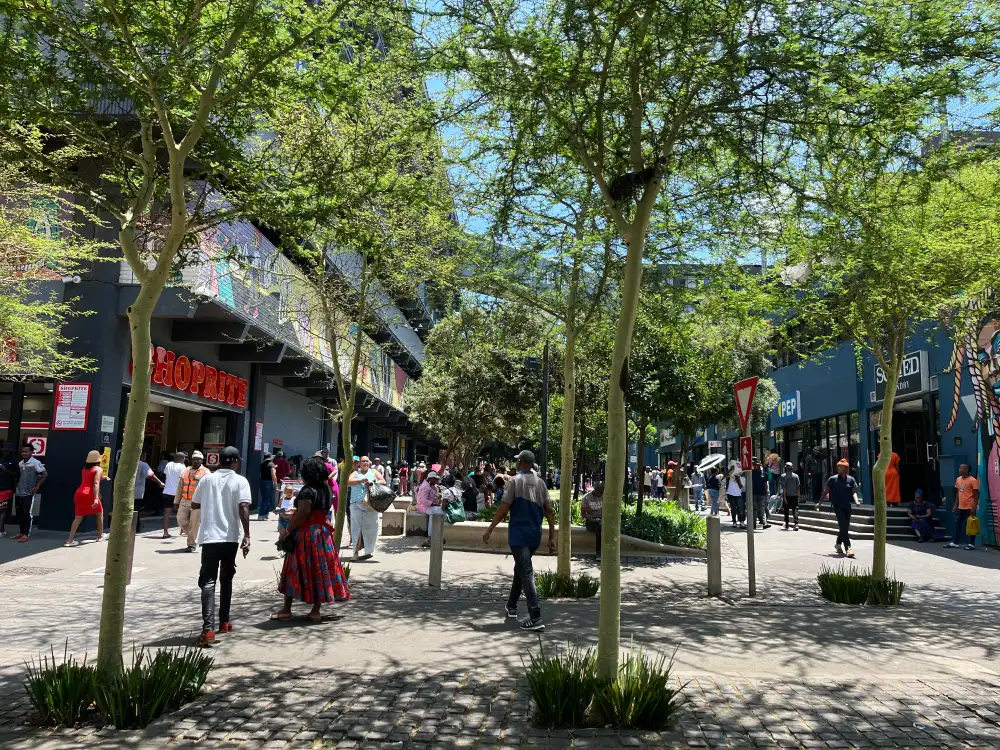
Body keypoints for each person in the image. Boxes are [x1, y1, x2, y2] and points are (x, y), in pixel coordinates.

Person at [482, 450, 556, 631]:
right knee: (520, 569)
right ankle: (512, 606)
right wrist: (552, 537)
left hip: (518, 535)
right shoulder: (541, 483)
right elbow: (550, 511)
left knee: (526, 572)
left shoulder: (515, 481)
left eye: (517, 461)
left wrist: (490, 529)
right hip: (534, 536)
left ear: (521, 462)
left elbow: (503, 508)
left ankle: (535, 616)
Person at [273, 457, 351, 622]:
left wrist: (288, 530)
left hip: (307, 534)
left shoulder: (307, 491)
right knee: (319, 569)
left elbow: (303, 513)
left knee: (293, 567)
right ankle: (315, 611)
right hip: (323, 533)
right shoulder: (326, 489)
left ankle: (286, 609)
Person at [192, 446, 251, 647]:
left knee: (208, 581)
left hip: (209, 538)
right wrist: (247, 536)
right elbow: (244, 507)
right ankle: (224, 622)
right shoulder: (241, 481)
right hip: (230, 538)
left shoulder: (206, 479)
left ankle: (208, 629)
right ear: (234, 461)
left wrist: (211, 502)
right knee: (226, 578)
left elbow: (194, 504)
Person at [818, 458, 860, 557]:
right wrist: (820, 502)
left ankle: (837, 544)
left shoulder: (851, 479)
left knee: (844, 527)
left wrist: (857, 500)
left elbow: (854, 492)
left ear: (846, 468)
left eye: (840, 466)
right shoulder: (833, 479)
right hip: (837, 506)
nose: (838, 468)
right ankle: (848, 548)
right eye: (838, 466)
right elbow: (826, 492)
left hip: (847, 506)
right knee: (843, 526)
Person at [64, 450, 105, 546]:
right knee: (99, 513)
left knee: (78, 517)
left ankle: (69, 540)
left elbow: (88, 479)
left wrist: (102, 477)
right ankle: (100, 536)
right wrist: (95, 498)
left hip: (79, 493)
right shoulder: (98, 469)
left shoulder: (84, 469)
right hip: (90, 493)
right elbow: (95, 483)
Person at [347, 455, 384, 561]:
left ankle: (368, 551)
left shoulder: (374, 472)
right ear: (359, 463)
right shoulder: (355, 473)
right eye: (363, 461)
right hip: (356, 504)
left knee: (371, 528)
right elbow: (348, 483)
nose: (365, 463)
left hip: (370, 504)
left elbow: (383, 481)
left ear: (370, 463)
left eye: (367, 461)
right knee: (356, 529)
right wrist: (360, 481)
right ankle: (355, 553)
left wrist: (373, 482)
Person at [11, 444, 47, 542]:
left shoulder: (35, 462)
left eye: (26, 451)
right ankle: (21, 532)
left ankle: (26, 534)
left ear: (31, 452)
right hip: (19, 491)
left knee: (27, 513)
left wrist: (37, 486)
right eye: (23, 451)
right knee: (19, 513)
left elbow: (44, 474)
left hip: (29, 492)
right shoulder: (20, 463)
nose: (24, 453)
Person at [176, 451, 209, 552]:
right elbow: (180, 487)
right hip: (184, 500)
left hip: (198, 502)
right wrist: (176, 501)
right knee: (180, 519)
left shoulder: (206, 472)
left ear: (202, 460)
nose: (197, 461)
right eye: (195, 459)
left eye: (199, 459)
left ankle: (191, 544)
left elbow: (208, 488)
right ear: (191, 460)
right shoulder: (186, 470)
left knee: (194, 523)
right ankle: (192, 536)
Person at [946, 463, 980, 550]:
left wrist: (974, 506)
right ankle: (955, 542)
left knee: (971, 524)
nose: (959, 469)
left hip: (969, 507)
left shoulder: (973, 480)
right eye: (960, 467)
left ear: (967, 470)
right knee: (957, 523)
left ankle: (971, 544)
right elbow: (958, 493)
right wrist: (955, 505)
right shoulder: (958, 479)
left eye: (961, 468)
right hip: (961, 506)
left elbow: (976, 495)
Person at [161, 452, 187, 539]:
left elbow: (165, 474)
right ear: (182, 459)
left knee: (166, 513)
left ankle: (165, 532)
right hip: (177, 493)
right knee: (181, 513)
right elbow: (184, 480)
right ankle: (182, 531)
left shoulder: (169, 464)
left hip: (167, 491)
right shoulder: (183, 467)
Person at [416, 469, 444, 547]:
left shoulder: (433, 486)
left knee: (440, 511)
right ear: (431, 479)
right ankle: (430, 537)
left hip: (429, 506)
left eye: (436, 479)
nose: (436, 480)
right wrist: (435, 504)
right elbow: (424, 501)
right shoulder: (425, 487)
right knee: (434, 513)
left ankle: (438, 534)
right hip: (423, 507)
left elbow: (435, 497)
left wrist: (439, 497)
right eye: (435, 479)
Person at [134, 452, 162, 528]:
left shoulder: (131, 463)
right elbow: (151, 475)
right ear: (143, 456)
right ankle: (136, 525)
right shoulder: (143, 464)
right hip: (137, 491)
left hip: (127, 491)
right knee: (136, 509)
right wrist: (160, 482)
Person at [581, 482, 603, 562]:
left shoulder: (603, 496)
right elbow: (583, 515)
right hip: (590, 523)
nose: (601, 494)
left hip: (601, 522)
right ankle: (598, 552)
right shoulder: (586, 498)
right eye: (600, 492)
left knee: (600, 526)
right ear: (595, 490)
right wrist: (596, 516)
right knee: (599, 525)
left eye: (602, 492)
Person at [0, 443, 17, 537]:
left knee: (2, 509)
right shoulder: (1, 460)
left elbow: (16, 475)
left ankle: (1, 530)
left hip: (6, 488)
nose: (4, 452)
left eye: (6, 451)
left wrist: (5, 470)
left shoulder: (14, 461)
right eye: (3, 450)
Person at [779, 462, 801, 530]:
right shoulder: (796, 476)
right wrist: (799, 496)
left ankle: (787, 524)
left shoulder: (783, 476)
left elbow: (784, 488)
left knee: (786, 510)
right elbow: (798, 487)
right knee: (795, 510)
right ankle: (796, 524)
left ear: (786, 468)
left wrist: (784, 498)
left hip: (787, 495)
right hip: (794, 496)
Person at [750, 459, 771, 529]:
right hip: (754, 493)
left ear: (759, 465)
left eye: (756, 465)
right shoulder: (751, 473)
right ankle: (753, 524)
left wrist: (766, 492)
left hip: (762, 493)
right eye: (754, 465)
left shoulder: (764, 473)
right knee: (754, 510)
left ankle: (764, 523)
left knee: (762, 509)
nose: (755, 466)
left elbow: (766, 483)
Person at [258, 452, 277, 521]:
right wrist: (275, 483)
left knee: (265, 498)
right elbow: (273, 475)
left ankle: (266, 514)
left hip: (262, 481)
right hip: (268, 482)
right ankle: (261, 514)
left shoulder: (262, 464)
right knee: (267, 499)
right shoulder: (271, 464)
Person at [726, 464, 746, 529]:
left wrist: (737, 479)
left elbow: (741, 487)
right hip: (730, 494)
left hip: (738, 495)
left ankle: (741, 522)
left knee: (740, 509)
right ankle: (734, 522)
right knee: (733, 509)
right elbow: (725, 475)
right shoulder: (731, 477)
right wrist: (730, 469)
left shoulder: (743, 478)